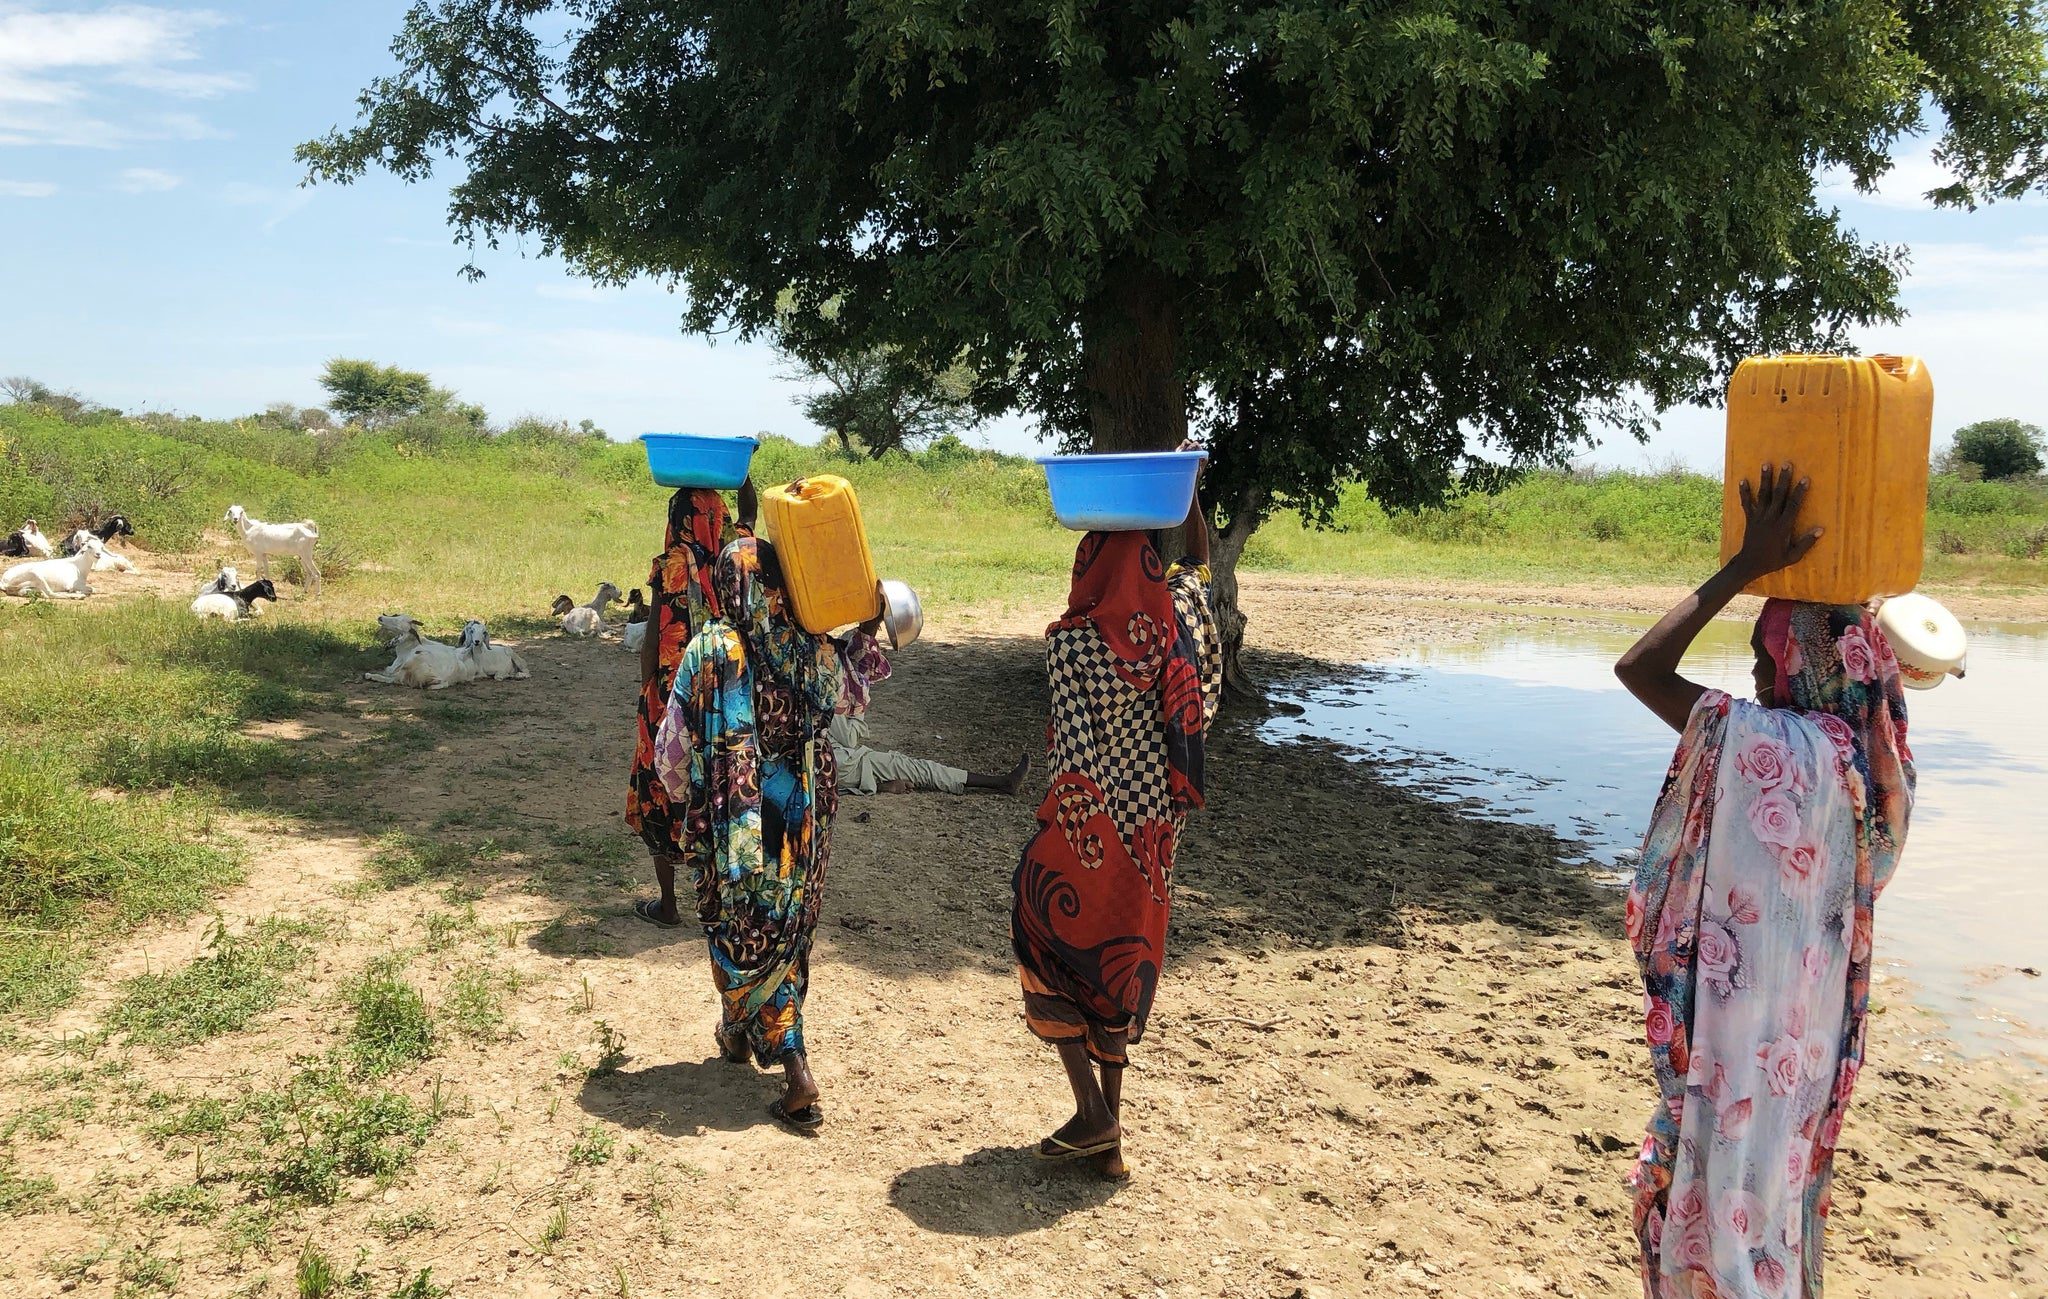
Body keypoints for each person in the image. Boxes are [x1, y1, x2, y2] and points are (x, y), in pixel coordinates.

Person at [1614, 463, 1914, 1299]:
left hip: (1733, 1056)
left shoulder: (1783, 752)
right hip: (1802, 1066)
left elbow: (1639, 667)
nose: (1754, 675)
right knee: (1770, 1219)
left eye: (1765, 654)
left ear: (1811, 660)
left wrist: (1746, 566)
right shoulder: (1877, 770)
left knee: (1697, 1210)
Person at [1010, 465, 1223, 1180]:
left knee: (1041, 938)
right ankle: (1112, 1142)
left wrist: (1060, 830)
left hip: (1091, 835)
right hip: (1154, 841)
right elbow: (1198, 561)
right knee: (1120, 973)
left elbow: (1070, 760)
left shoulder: (1071, 643)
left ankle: (1092, 1115)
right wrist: (1188, 489)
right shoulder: (1181, 617)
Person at [653, 531, 848, 1131]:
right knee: (785, 929)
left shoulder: (713, 649)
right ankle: (737, 1036)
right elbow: (847, 697)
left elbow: (673, 751)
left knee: (739, 926)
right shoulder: (810, 647)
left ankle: (796, 1073)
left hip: (738, 822)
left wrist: (690, 802)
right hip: (804, 817)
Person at [625, 483, 739, 927]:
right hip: (724, 693)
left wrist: (648, 689)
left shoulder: (672, 564)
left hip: (673, 692)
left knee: (661, 789)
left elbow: (653, 637)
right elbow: (748, 513)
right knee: (717, 788)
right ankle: (723, 903)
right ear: (718, 519)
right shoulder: (736, 564)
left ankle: (669, 905)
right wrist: (741, 477)